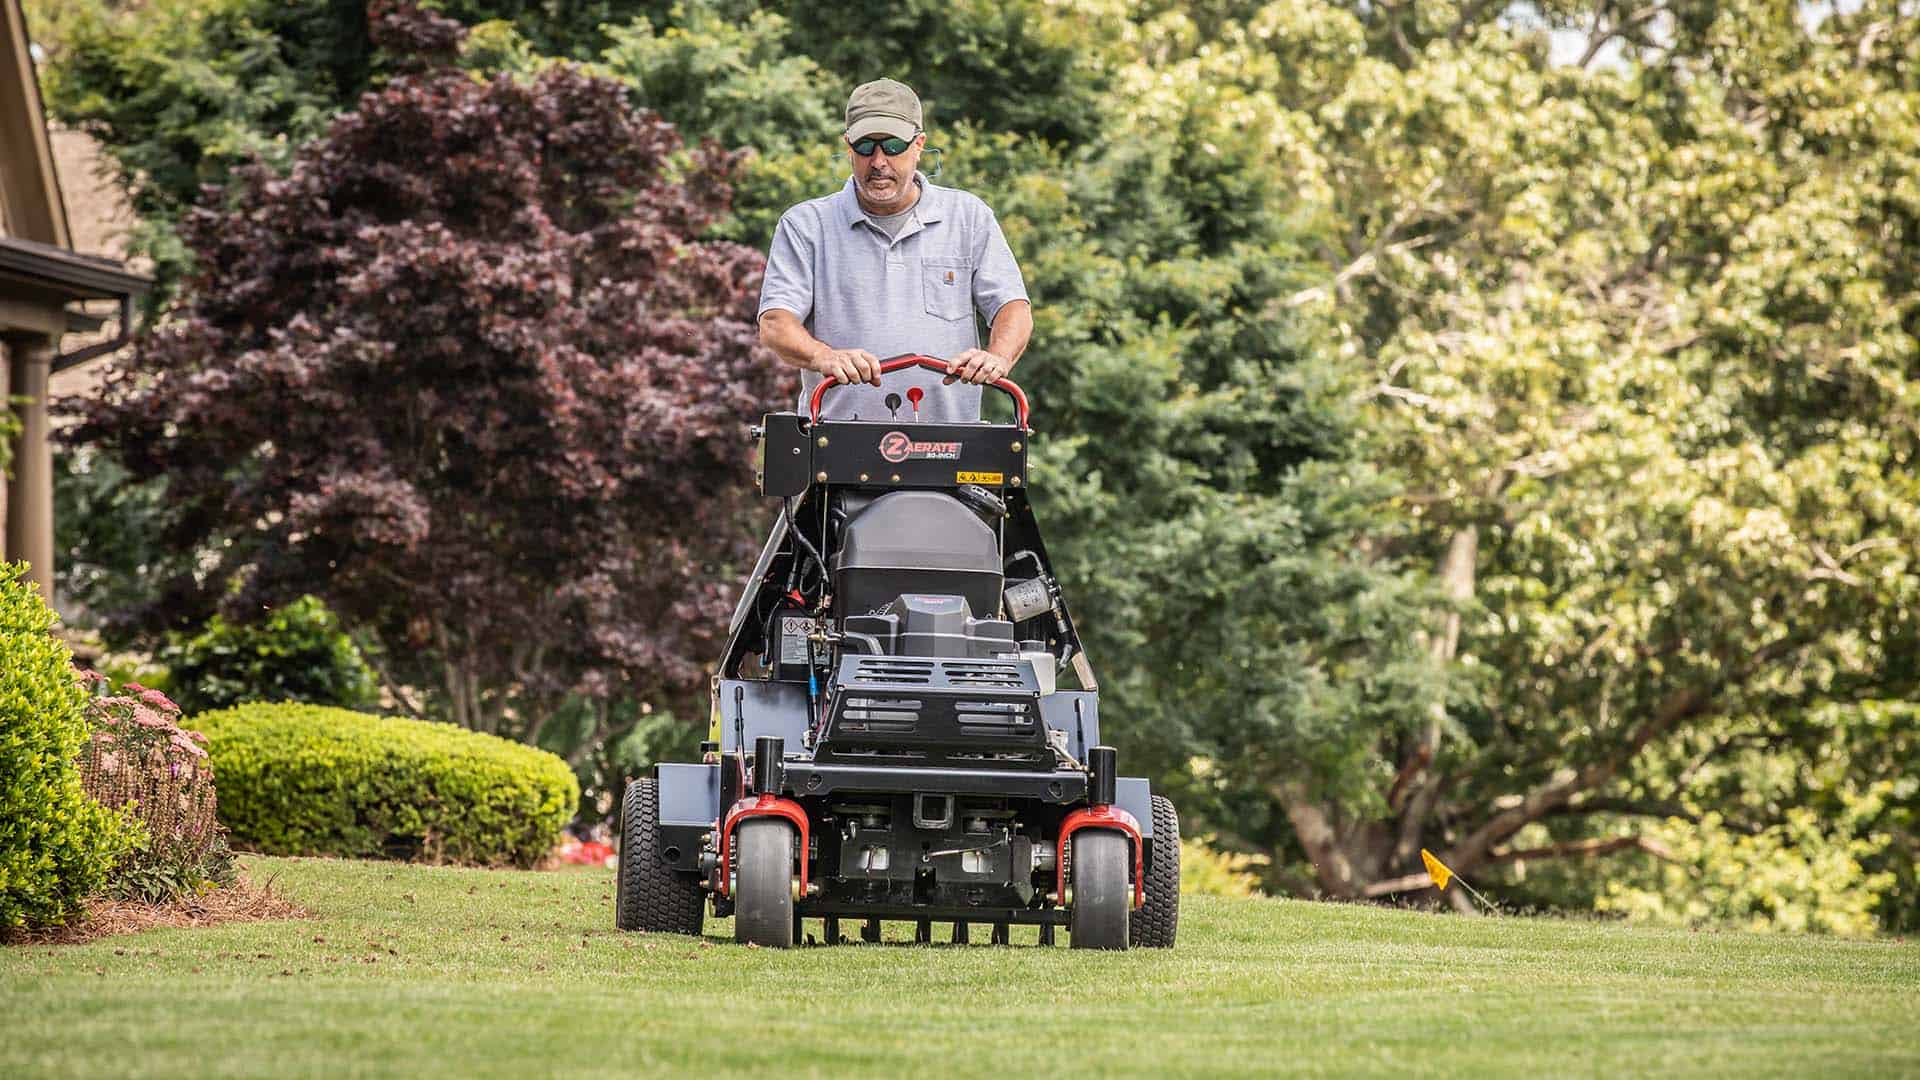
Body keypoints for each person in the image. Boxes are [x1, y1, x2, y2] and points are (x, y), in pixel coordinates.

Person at [757, 78, 1033, 423]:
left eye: (892, 146)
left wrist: (998, 358)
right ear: (848, 146)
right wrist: (823, 356)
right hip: (836, 445)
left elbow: (1013, 307)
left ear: (919, 145)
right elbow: (775, 323)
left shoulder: (968, 217)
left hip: (950, 447)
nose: (878, 161)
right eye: (864, 146)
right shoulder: (806, 225)